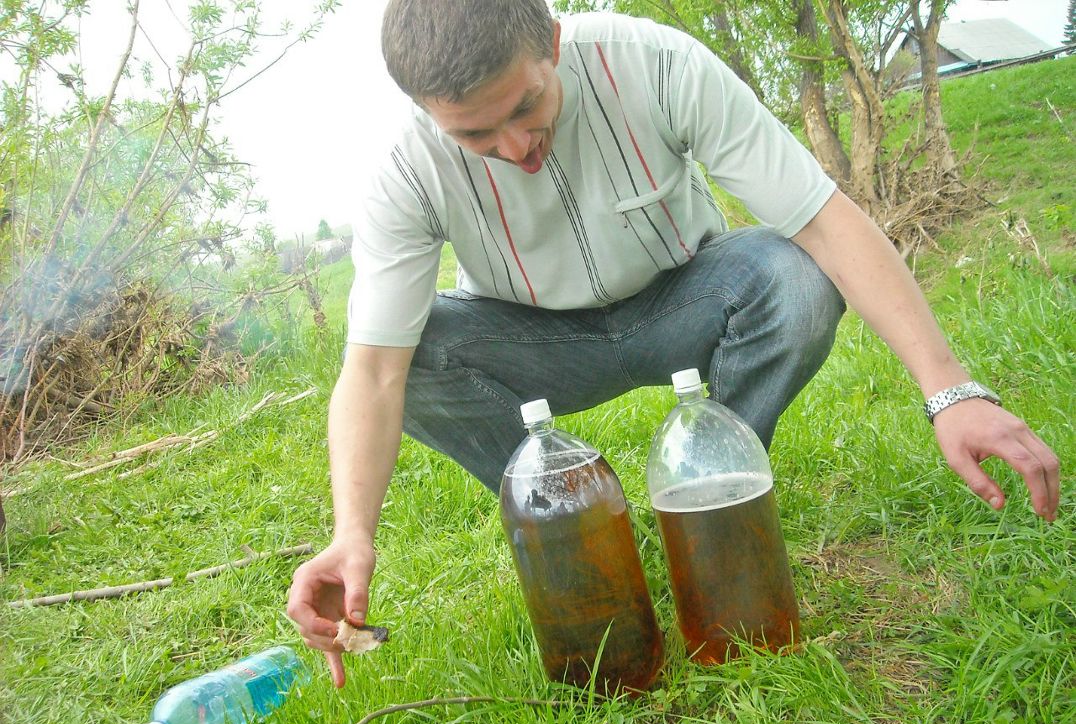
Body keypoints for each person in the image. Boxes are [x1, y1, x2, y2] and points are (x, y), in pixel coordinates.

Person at [287, 0, 1059, 687]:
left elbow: (822, 220)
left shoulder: (655, 63)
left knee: (793, 278)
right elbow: (375, 374)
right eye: (474, 132)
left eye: (527, 104)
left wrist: (951, 389)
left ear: (553, 42)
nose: (517, 145)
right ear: (427, 113)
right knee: (414, 355)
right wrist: (351, 535)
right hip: (538, 345)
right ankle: (578, 515)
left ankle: (712, 492)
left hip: (683, 301)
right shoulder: (404, 172)